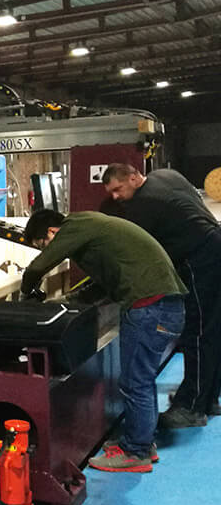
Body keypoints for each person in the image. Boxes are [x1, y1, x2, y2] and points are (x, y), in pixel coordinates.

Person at [22, 209, 186, 472]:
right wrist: (65, 301)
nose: (46, 249)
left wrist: (26, 292)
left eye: (42, 244)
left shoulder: (74, 225)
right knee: (141, 381)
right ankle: (142, 442)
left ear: (52, 232)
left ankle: (135, 453)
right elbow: (102, 287)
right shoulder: (93, 229)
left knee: (135, 382)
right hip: (162, 307)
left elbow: (39, 266)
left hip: (149, 309)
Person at [103, 164, 221, 427]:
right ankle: (207, 399)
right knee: (212, 330)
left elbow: (134, 252)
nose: (116, 197)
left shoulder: (143, 205)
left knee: (197, 333)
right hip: (215, 245)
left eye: (118, 189)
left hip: (199, 260)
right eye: (111, 193)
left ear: (133, 178)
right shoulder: (165, 175)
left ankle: (191, 408)